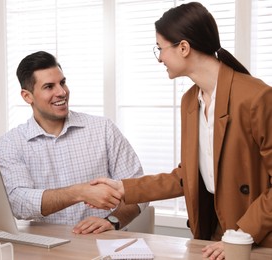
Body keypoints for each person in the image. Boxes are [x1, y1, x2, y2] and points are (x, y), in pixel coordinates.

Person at [90, 2, 272, 259]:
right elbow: (186, 177)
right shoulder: (190, 101)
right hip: (215, 234)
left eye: (160, 48)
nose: (160, 57)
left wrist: (241, 234)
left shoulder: (257, 97)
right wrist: (122, 188)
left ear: (183, 48)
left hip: (256, 236)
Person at [0, 51, 147, 234]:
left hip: (103, 245)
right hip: (48, 249)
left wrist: (112, 220)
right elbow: (19, 203)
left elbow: (139, 190)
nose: (61, 92)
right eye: (49, 87)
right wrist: (79, 192)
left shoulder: (103, 129)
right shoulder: (11, 143)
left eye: (62, 83)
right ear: (27, 96)